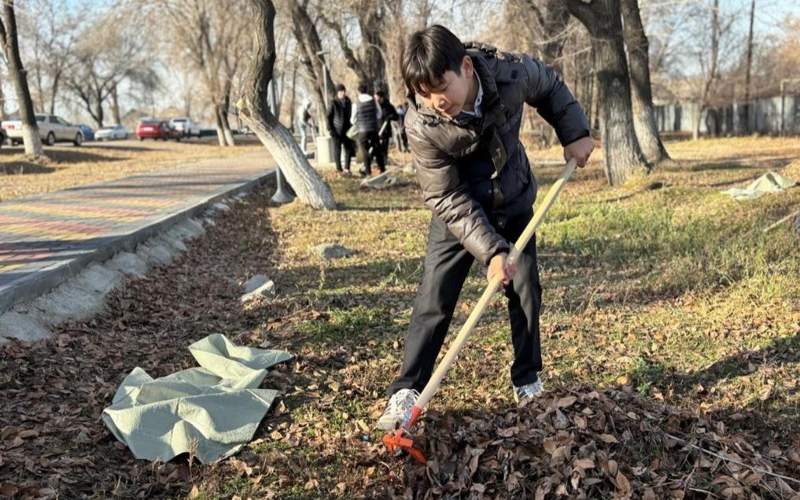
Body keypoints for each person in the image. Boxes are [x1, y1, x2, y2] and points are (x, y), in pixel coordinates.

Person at [376, 25, 594, 430]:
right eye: (424, 93)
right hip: (459, 209)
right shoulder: (422, 123)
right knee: (434, 299)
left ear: (466, 67)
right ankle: (407, 391)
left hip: (512, 198)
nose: (436, 101)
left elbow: (549, 86)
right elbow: (445, 197)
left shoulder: (509, 73)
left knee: (526, 290)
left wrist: (575, 131)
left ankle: (527, 378)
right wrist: (492, 251)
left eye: (441, 86)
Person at [352, 82, 384, 177]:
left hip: (362, 130)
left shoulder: (356, 103)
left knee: (364, 150)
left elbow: (352, 119)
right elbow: (379, 114)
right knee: (377, 149)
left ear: (359, 91)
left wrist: (358, 123)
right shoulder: (374, 101)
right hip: (373, 128)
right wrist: (374, 120)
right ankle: (382, 169)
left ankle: (368, 172)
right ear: (367, 90)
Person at [327, 83, 356, 175]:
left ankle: (347, 168)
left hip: (346, 129)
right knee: (337, 150)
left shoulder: (348, 101)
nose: (342, 93)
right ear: (337, 93)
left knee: (348, 149)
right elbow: (328, 117)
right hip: (336, 130)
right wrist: (330, 129)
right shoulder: (333, 102)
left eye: (343, 91)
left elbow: (350, 115)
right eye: (340, 92)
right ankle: (339, 169)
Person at [375, 90, 399, 165]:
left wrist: (390, 117)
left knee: (384, 147)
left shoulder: (388, 106)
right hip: (376, 130)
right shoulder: (375, 106)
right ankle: (378, 161)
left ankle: (384, 161)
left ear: (382, 98)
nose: (377, 100)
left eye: (378, 98)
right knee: (377, 147)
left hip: (385, 130)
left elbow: (396, 116)